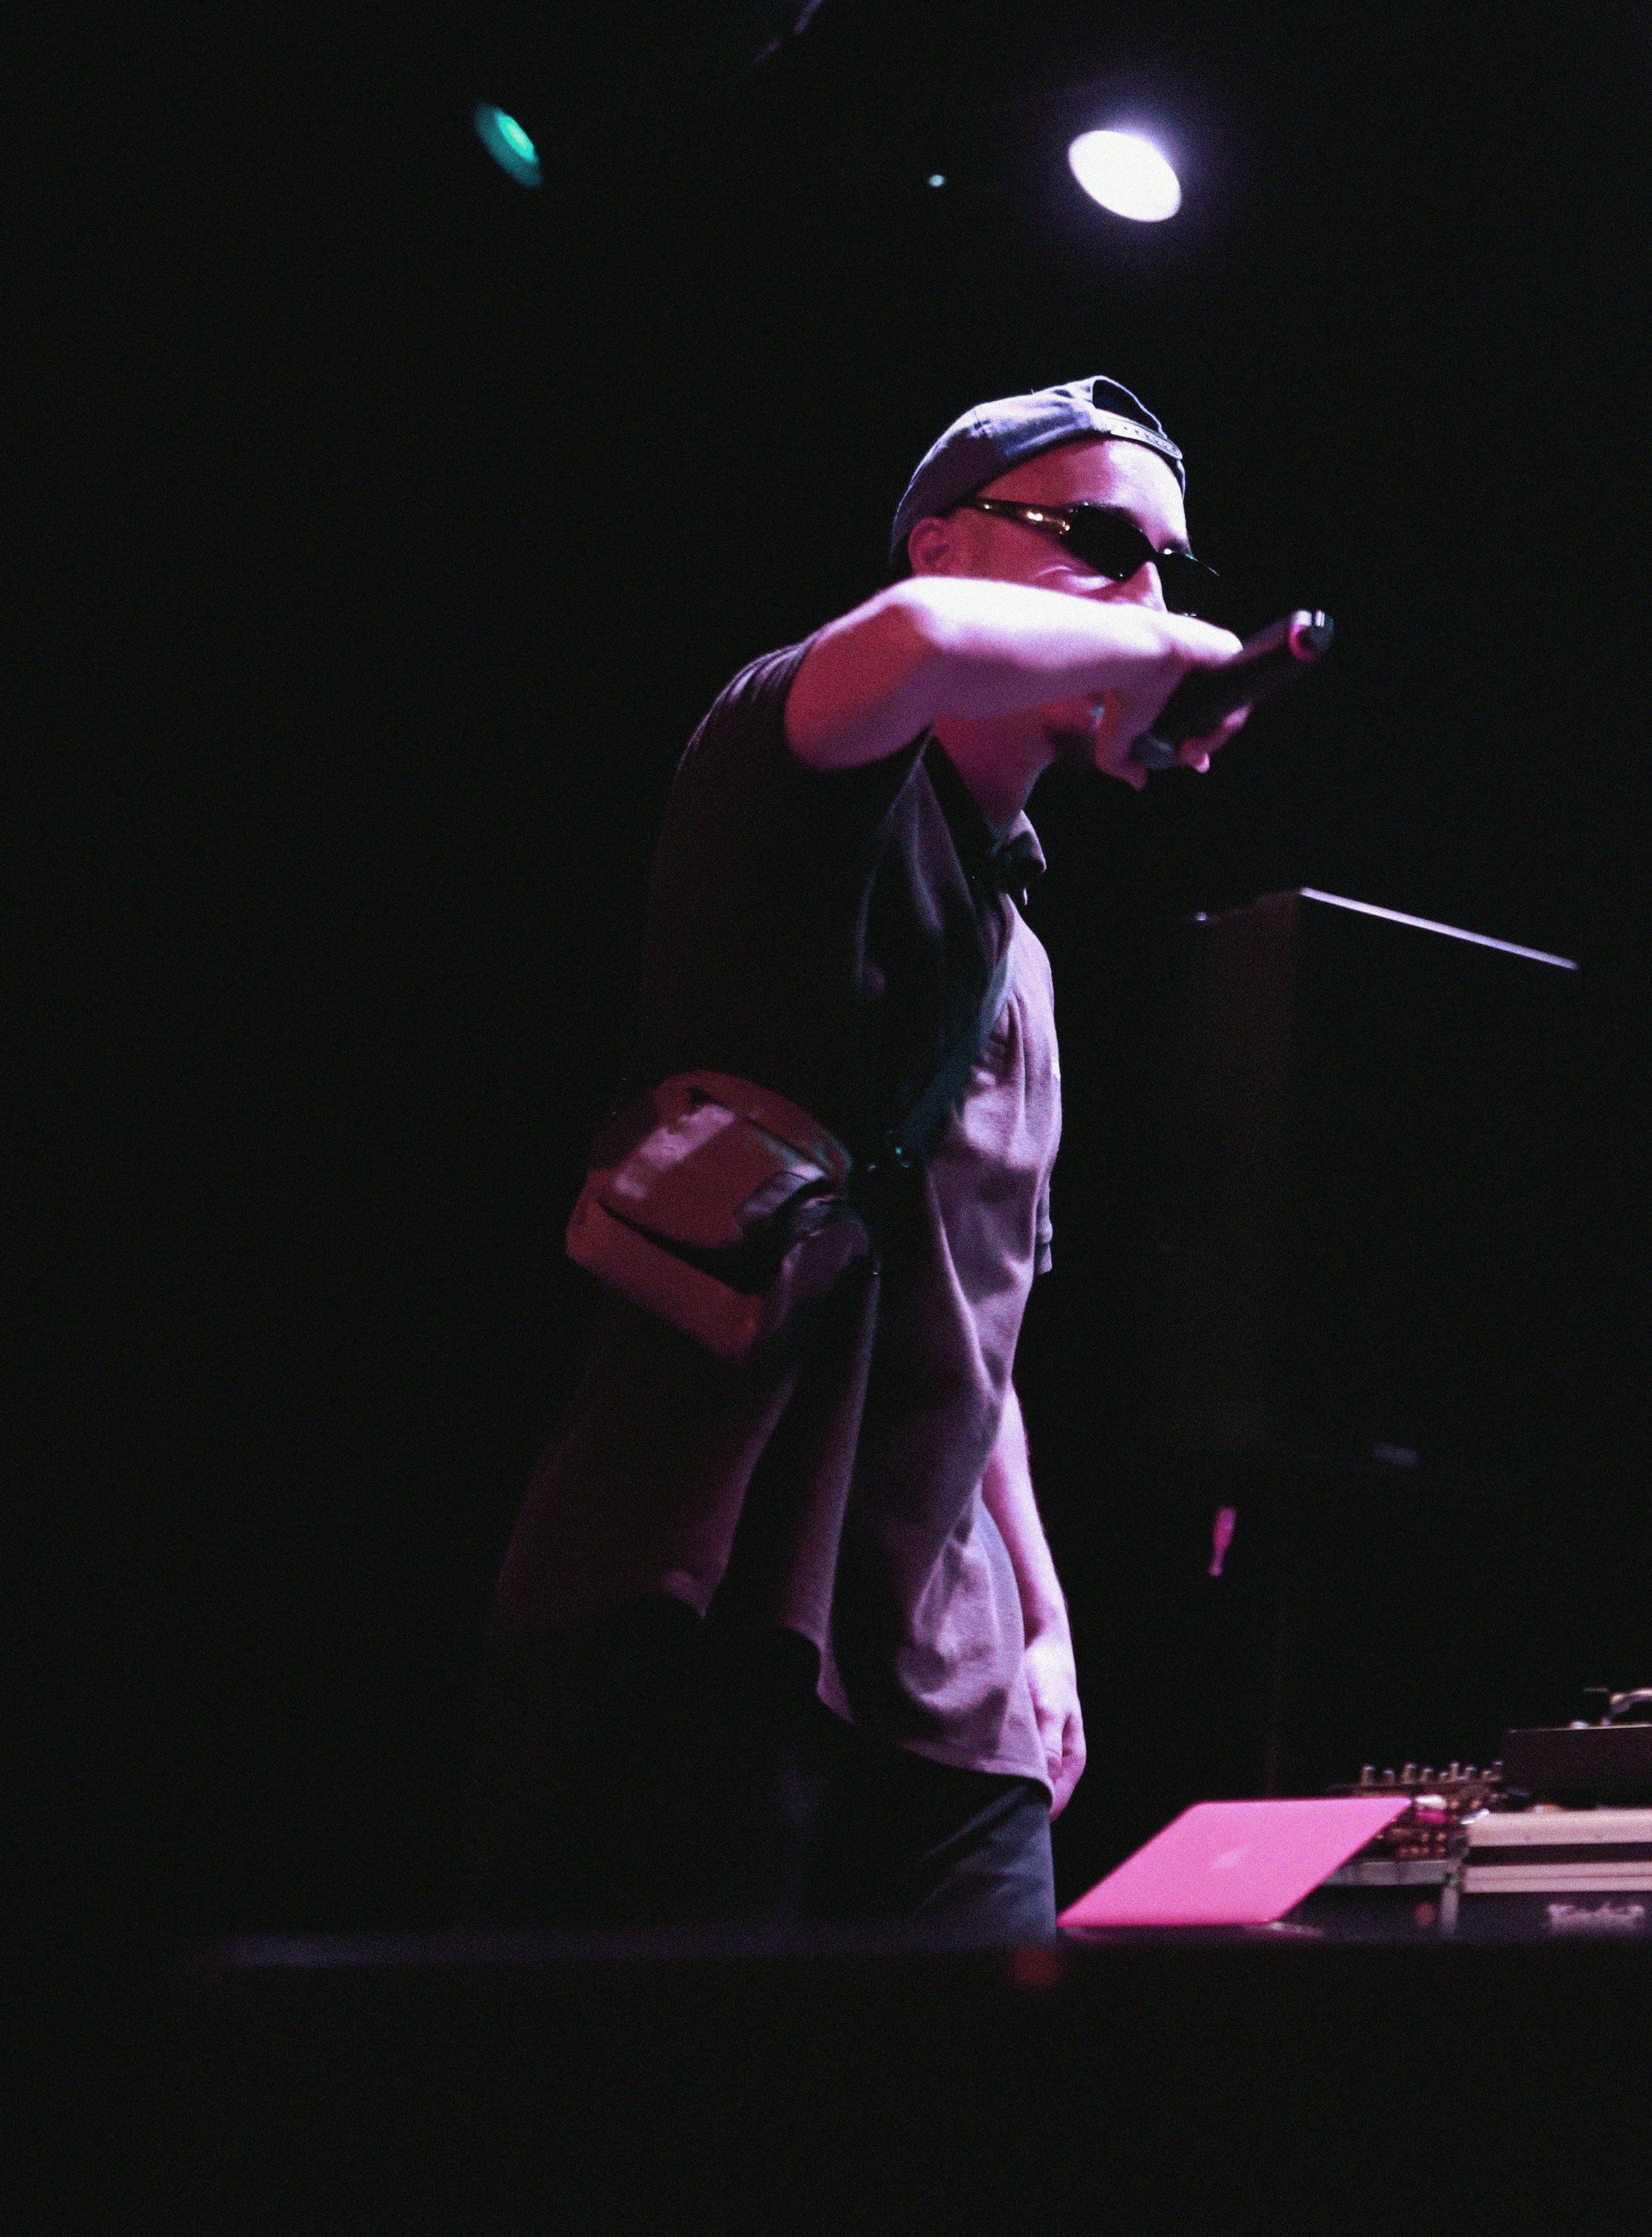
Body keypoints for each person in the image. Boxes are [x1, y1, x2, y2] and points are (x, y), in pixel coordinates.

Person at [468, 376, 1243, 1943]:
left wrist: (1043, 1619)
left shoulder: (1026, 960)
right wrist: (1174, 657)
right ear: (942, 544)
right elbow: (913, 644)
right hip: (708, 1595)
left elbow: (978, 1327)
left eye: (1171, 570)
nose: (1147, 599)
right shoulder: (800, 758)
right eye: (1100, 543)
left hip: (947, 1679)